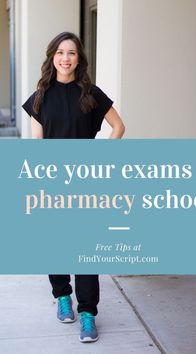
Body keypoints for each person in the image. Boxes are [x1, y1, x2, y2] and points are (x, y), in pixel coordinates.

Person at [22, 32, 125, 343]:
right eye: (60, 52)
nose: (65, 58)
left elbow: (119, 126)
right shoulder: (40, 96)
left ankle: (88, 313)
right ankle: (62, 296)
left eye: (72, 53)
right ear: (52, 56)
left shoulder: (91, 93)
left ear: (79, 60)